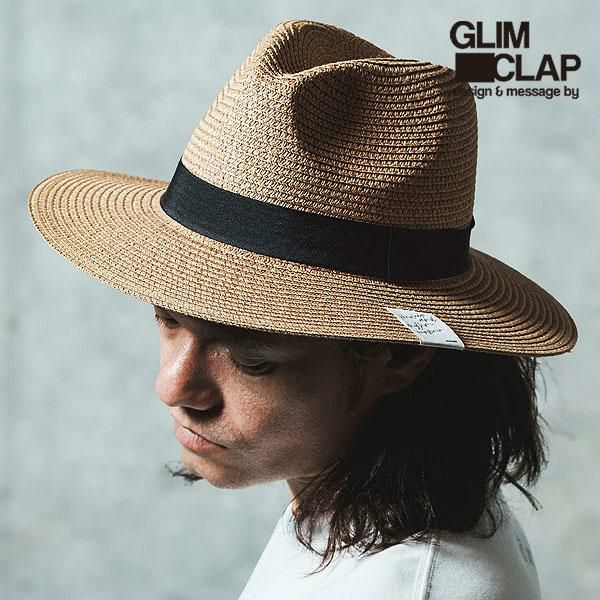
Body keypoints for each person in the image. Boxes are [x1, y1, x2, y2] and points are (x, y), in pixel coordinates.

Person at [28, 19, 577, 600]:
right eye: (167, 319)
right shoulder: (364, 513)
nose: (173, 386)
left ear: (399, 356)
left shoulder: (405, 586)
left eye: (253, 360)